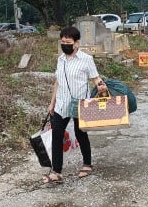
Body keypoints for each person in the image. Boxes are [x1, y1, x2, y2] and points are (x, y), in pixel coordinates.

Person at [44, 26, 108, 183]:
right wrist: (52, 103)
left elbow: (95, 78)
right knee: (57, 136)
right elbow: (57, 82)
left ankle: (87, 164)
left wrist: (101, 85)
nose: (65, 44)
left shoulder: (86, 59)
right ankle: (57, 171)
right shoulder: (60, 60)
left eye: (68, 42)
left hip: (80, 104)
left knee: (81, 134)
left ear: (77, 43)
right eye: (63, 41)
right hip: (61, 104)